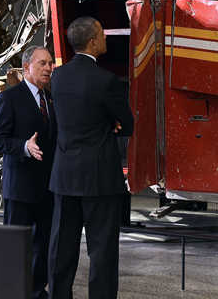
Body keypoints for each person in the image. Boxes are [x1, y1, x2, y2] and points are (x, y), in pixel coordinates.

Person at [48, 16, 134, 299]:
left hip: (64, 176)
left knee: (61, 247)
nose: (106, 38)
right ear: (92, 42)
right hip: (99, 179)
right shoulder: (106, 80)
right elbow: (128, 124)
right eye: (102, 34)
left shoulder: (57, 76)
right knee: (102, 251)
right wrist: (109, 120)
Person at [0, 45, 57, 299]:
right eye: (42, 63)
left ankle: (36, 290)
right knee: (16, 246)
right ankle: (11, 291)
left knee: (43, 243)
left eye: (50, 64)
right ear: (26, 67)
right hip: (20, 186)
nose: (48, 68)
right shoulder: (9, 98)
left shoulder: (51, 99)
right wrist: (24, 147)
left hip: (48, 187)